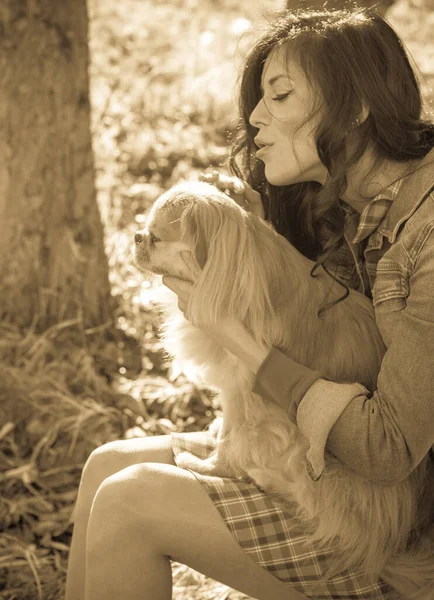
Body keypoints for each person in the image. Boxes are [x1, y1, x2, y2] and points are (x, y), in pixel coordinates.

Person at [65, 8, 434, 600]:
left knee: (130, 504)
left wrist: (236, 333)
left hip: (404, 541)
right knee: (107, 464)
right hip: (332, 477)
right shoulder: (343, 206)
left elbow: (386, 449)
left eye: (280, 95)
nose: (256, 118)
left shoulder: (428, 233)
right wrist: (260, 249)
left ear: (358, 105)